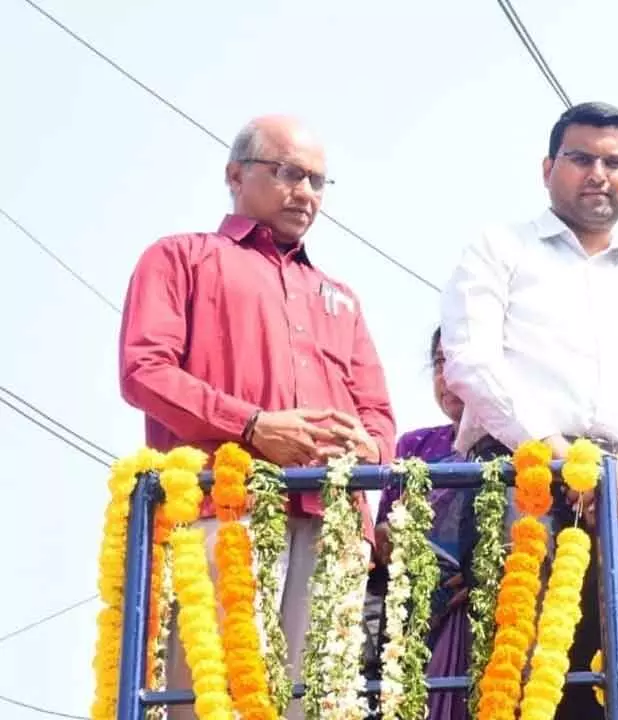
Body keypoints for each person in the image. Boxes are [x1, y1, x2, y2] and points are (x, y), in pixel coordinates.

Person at [118, 114, 395, 720]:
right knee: (215, 699)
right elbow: (145, 371)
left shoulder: (339, 296)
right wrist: (252, 426)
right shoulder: (180, 259)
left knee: (320, 704)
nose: (307, 194)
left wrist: (367, 446)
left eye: (319, 182)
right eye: (290, 173)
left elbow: (378, 415)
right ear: (235, 175)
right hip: (226, 509)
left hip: (332, 522)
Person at [439, 101, 618, 720]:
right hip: (521, 477)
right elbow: (471, 362)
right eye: (581, 159)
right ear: (548, 167)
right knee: (521, 671)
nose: (598, 174)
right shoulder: (500, 249)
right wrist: (559, 457)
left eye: (615, 162)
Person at [363, 326, 472, 720]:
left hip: (495, 612)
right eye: (439, 362)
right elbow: (381, 537)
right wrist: (392, 538)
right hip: (420, 619)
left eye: (457, 361)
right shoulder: (415, 447)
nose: (445, 375)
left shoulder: (520, 449)